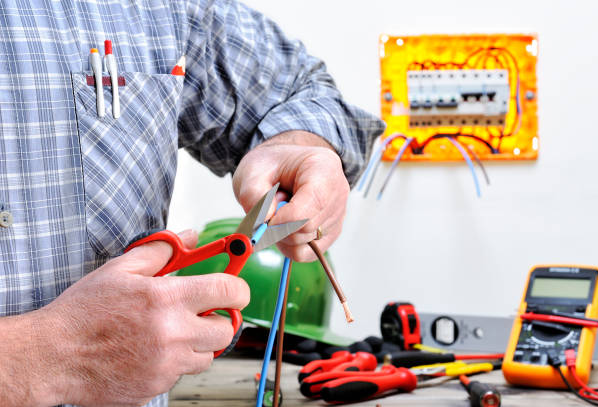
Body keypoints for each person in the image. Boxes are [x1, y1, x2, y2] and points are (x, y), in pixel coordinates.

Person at [0, 1, 384, 406]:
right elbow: (48, 357)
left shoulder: (165, 8)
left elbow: (304, 92)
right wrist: (45, 356)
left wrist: (301, 147)